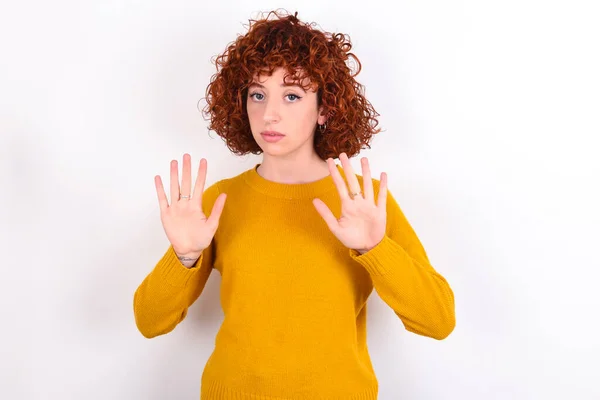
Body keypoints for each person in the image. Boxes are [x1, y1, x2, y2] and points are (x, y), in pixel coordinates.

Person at [133, 10, 455, 400]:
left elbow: (438, 321)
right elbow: (149, 322)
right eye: (257, 94)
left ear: (325, 108)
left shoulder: (364, 201)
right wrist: (184, 257)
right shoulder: (220, 201)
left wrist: (375, 249)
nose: (270, 114)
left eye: (292, 95)